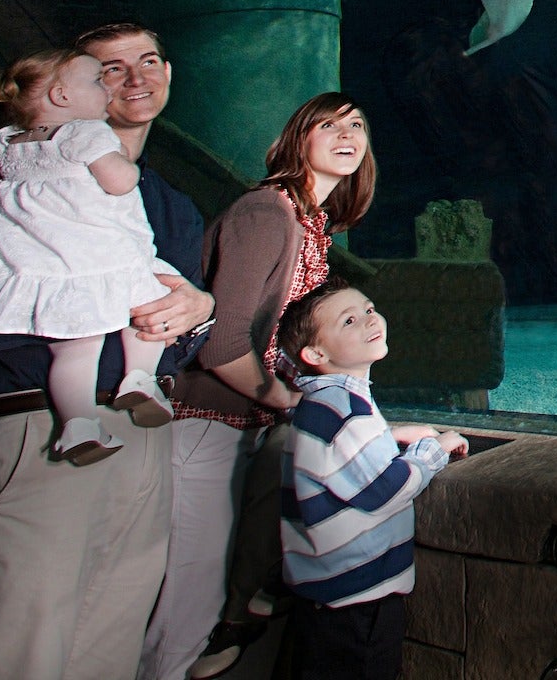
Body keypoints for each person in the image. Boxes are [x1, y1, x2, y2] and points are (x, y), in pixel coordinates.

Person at [0, 22, 214, 680]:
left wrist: (199, 311)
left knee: (107, 660)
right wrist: (88, 311)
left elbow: (179, 331)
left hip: (142, 443)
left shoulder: (169, 204)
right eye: (110, 68)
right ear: (62, 90)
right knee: (19, 661)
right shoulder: (12, 186)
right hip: (36, 435)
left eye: (150, 61)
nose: (135, 78)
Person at [140, 92, 377, 680]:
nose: (347, 134)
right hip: (207, 424)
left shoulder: (311, 224)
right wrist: (288, 399)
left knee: (217, 602)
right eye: (328, 125)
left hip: (250, 428)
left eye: (356, 125)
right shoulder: (266, 213)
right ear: (298, 139)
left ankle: (244, 612)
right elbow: (221, 344)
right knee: (186, 607)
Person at [0, 48, 178, 464]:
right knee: (149, 309)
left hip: (47, 268)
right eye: (98, 80)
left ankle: (78, 424)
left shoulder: (10, 142)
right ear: (62, 96)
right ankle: (140, 379)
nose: (108, 88)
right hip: (108, 256)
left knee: (73, 350)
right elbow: (119, 182)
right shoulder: (85, 134)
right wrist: (128, 168)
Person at [274, 277, 466, 680]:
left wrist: (390, 436)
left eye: (368, 309)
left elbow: (337, 457)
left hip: (327, 595)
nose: (369, 319)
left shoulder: (324, 401)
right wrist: (433, 450)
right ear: (316, 353)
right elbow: (385, 489)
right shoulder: (348, 410)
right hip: (357, 599)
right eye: (349, 320)